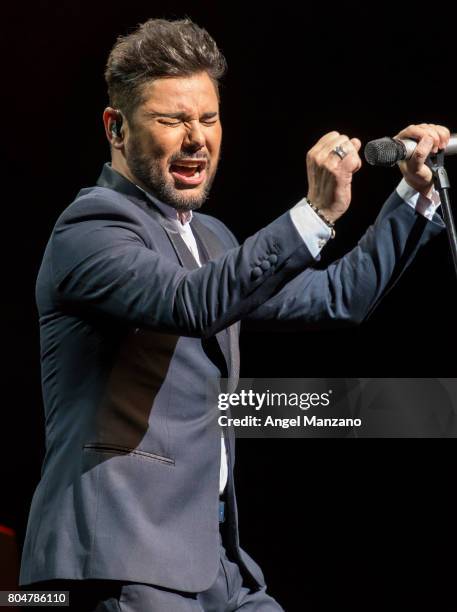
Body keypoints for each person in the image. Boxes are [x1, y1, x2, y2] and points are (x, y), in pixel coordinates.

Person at [19, 17, 449, 611]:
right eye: (171, 120)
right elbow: (191, 302)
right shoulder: (90, 229)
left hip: (216, 566)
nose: (196, 138)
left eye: (209, 118)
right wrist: (315, 213)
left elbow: (337, 297)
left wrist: (415, 194)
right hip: (123, 559)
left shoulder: (212, 239)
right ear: (115, 129)